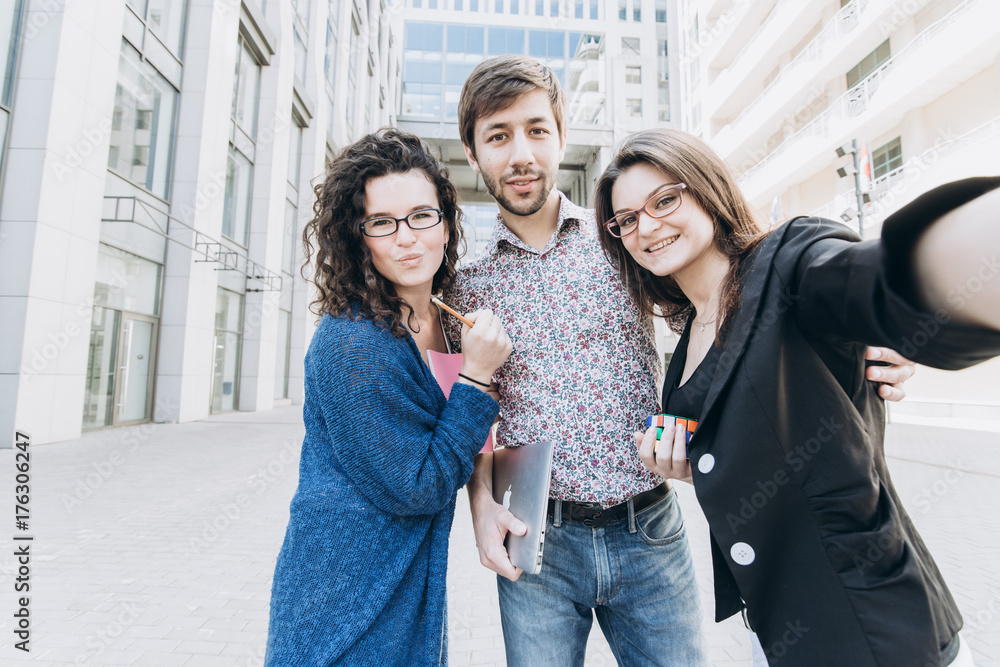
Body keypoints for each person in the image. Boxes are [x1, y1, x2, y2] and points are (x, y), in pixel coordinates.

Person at [443, 55, 916, 666]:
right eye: (498, 136)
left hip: (650, 532)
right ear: (473, 151)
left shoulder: (625, 238)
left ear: (561, 134)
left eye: (536, 129)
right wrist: (482, 507)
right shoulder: (463, 288)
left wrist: (851, 335)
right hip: (538, 540)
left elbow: (725, 314)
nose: (521, 154)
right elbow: (470, 411)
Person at [593, 127, 1000, 666]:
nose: (647, 226)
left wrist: (920, 307)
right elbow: (749, 447)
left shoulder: (787, 260)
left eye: (665, 199)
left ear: (707, 188)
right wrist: (696, 466)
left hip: (882, 629)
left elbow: (877, 282)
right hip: (782, 632)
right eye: (626, 221)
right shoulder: (687, 341)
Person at [264, 128, 512, 666]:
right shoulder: (351, 342)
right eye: (382, 222)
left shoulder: (443, 320)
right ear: (359, 237)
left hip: (407, 587)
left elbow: (456, 437)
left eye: (423, 215)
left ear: (446, 225)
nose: (407, 237)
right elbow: (416, 488)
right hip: (346, 605)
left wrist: (487, 499)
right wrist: (476, 379)